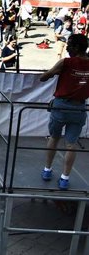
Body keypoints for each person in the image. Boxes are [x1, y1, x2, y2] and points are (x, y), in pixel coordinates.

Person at [39, 34, 89, 190]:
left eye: (69, 45)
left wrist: (53, 72)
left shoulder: (66, 63)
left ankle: (47, 170)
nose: (66, 47)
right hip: (80, 107)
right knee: (71, 144)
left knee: (54, 138)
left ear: (76, 47)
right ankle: (65, 178)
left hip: (61, 106)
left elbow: (43, 78)